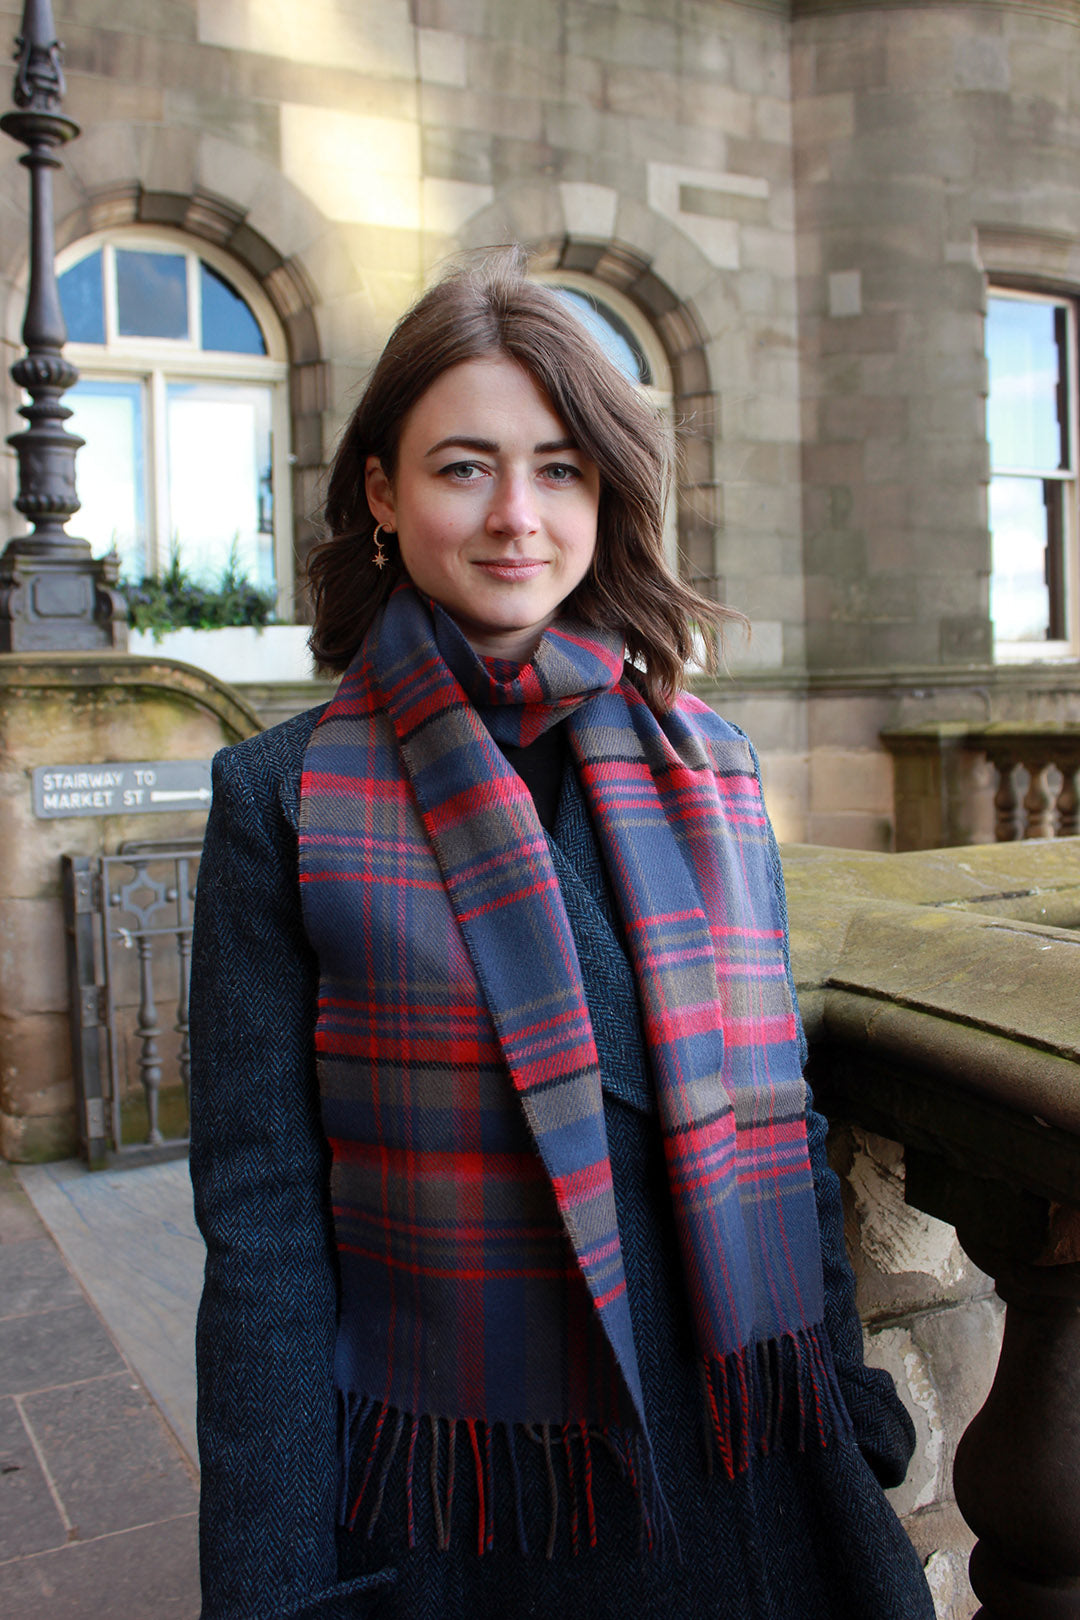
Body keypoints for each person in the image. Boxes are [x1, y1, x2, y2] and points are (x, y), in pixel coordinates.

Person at [189, 251, 935, 1620]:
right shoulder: (282, 800)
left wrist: (837, 1394)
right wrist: (268, 1579)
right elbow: (266, 1235)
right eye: (463, 467)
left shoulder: (708, 763)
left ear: (608, 493)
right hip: (479, 1497)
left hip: (744, 1456)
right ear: (381, 492)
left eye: (561, 469)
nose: (515, 516)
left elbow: (789, 1121)